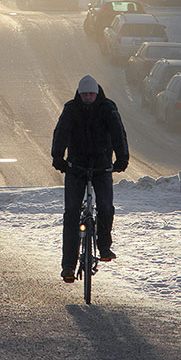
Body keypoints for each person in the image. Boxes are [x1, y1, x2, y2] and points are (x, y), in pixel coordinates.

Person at [51, 74, 129, 283]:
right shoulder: (71, 109)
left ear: (97, 93)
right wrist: (58, 157)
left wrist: (122, 159)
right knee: (72, 214)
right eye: (84, 94)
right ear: (79, 94)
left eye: (91, 94)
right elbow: (61, 133)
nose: (87, 97)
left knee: (105, 207)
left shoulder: (108, 109)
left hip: (102, 167)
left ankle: (104, 247)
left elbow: (118, 133)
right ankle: (68, 265)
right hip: (76, 167)